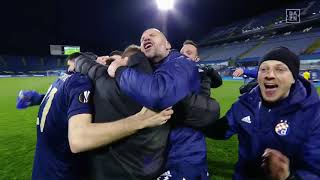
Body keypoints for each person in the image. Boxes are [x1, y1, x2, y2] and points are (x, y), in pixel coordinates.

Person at [18, 52, 173, 180]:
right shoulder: (81, 81)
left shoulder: (61, 80)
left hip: (42, 169)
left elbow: (63, 103)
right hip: (63, 174)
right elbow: (79, 139)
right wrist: (140, 120)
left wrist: (37, 98)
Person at [108, 29, 220, 180]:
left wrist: (119, 70)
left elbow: (158, 94)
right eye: (142, 39)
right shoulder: (147, 68)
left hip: (182, 157)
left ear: (167, 44)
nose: (146, 39)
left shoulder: (181, 62)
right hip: (155, 157)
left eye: (152, 35)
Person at [203, 47, 320, 179]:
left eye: (280, 69)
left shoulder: (314, 113)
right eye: (264, 69)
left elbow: (315, 170)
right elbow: (222, 130)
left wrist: (288, 176)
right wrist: (189, 115)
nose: (269, 75)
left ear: (293, 77)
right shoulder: (245, 104)